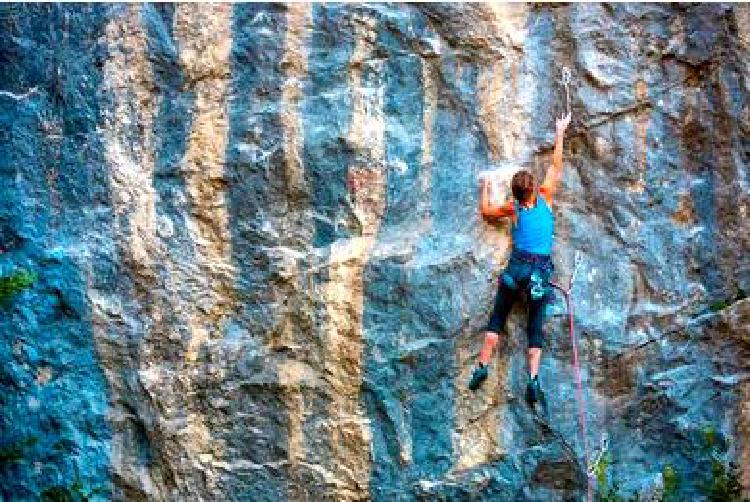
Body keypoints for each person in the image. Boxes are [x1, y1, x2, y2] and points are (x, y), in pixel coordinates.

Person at [469, 112, 572, 409]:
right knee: (535, 325)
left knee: (498, 318)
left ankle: (482, 366)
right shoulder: (547, 196)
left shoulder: (513, 210)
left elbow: (486, 213)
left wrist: (486, 185)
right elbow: (556, 165)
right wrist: (560, 131)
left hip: (515, 271)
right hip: (538, 274)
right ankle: (533, 379)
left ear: (515, 193)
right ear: (535, 188)